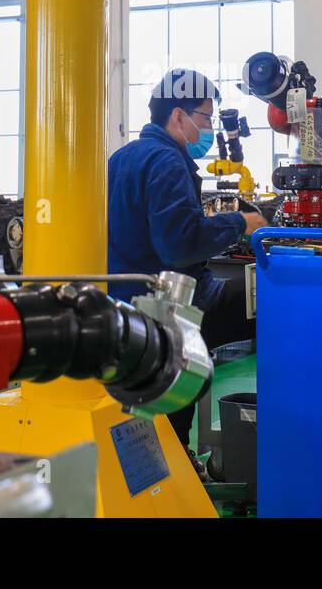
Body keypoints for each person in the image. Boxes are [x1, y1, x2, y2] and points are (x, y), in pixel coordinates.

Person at [107, 68, 268, 464]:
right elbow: (179, 243)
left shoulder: (122, 157)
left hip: (126, 303)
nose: (210, 129)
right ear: (177, 116)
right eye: (206, 118)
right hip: (169, 307)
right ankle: (186, 463)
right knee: (270, 306)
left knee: (158, 409)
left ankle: (173, 462)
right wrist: (241, 223)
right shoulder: (166, 161)